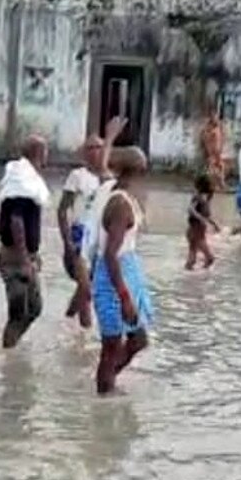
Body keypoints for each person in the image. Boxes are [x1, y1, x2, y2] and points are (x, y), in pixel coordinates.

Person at [86, 146, 155, 395]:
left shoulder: (120, 194)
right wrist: (124, 297)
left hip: (126, 272)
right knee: (111, 346)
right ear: (138, 173)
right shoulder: (120, 205)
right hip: (114, 278)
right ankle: (104, 393)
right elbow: (110, 254)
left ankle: (107, 384)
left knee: (138, 339)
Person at [58, 117, 126, 327]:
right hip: (80, 235)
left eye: (99, 147)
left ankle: (68, 320)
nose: (95, 151)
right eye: (90, 148)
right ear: (84, 153)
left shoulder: (109, 178)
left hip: (100, 238)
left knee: (86, 288)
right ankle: (84, 339)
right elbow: (62, 210)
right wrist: (67, 240)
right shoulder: (77, 175)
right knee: (86, 290)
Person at [0, 135, 52, 349]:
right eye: (45, 152)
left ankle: (10, 348)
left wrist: (33, 254)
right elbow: (16, 221)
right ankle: (7, 357)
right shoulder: (21, 181)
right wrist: (24, 258)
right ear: (39, 153)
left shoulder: (25, 180)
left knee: (35, 308)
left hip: (23, 255)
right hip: (15, 257)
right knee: (19, 313)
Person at [186, 174, 220, 271]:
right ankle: (203, 278)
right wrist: (200, 218)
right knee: (210, 259)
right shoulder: (198, 197)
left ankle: (189, 281)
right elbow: (190, 209)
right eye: (211, 185)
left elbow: (206, 216)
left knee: (191, 261)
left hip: (196, 232)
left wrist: (214, 224)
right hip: (196, 233)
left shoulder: (204, 199)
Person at [200, 109, 226, 190]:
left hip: (217, 152)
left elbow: (222, 138)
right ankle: (214, 184)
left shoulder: (219, 127)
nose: (216, 118)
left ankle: (220, 183)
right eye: (214, 117)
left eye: (217, 117)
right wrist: (206, 151)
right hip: (211, 152)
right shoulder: (207, 129)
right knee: (212, 169)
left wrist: (221, 148)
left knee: (221, 166)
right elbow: (204, 140)